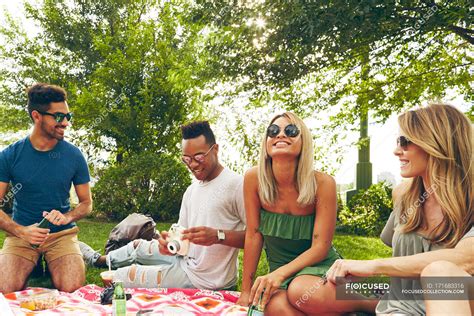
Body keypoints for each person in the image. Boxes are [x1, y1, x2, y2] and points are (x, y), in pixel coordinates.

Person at [326, 103, 473, 315]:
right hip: (401, 305)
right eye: (398, 141)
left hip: (460, 301)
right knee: (309, 293)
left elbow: (465, 260)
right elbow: (391, 244)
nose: (396, 150)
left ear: (436, 143)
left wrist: (372, 266)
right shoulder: (404, 195)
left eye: (405, 142)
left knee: (439, 271)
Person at [237, 112, 377, 314]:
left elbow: (321, 246)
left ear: (304, 142)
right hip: (280, 271)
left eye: (291, 131)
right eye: (273, 131)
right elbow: (253, 235)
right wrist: (245, 291)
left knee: (301, 291)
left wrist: (280, 274)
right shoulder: (253, 178)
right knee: (275, 308)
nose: (280, 135)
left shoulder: (323, 184)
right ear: (266, 143)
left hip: (319, 266)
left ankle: (376, 301)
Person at [80, 121, 246, 290]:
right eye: (187, 159)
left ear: (215, 149)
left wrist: (218, 236)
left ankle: (109, 266)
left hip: (205, 280)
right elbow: (182, 236)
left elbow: (257, 238)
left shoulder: (237, 185)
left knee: (122, 277)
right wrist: (169, 244)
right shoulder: (192, 189)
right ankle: (99, 260)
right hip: (184, 259)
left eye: (199, 157)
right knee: (139, 246)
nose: (193, 164)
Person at [0, 83, 92, 293]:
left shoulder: (74, 155)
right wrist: (21, 231)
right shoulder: (9, 156)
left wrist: (68, 217)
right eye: (59, 117)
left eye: (68, 116)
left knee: (72, 288)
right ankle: (27, 262)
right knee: (5, 288)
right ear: (37, 116)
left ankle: (58, 260)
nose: (66, 122)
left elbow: (87, 203)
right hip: (22, 235)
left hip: (61, 235)